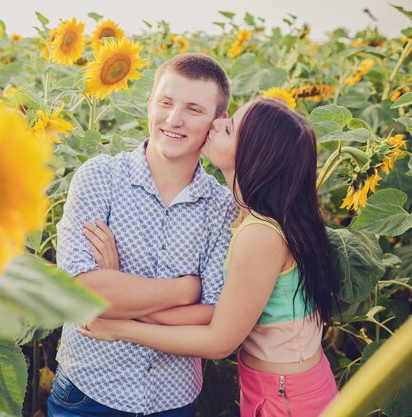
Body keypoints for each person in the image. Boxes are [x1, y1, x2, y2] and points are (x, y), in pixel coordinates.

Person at [78, 98, 340, 417]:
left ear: (254, 158)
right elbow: (216, 315)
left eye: (229, 129)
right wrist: (121, 288)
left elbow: (219, 342)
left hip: (286, 398)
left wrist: (121, 326)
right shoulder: (263, 218)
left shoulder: (260, 235)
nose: (217, 123)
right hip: (280, 386)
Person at [49, 53, 237, 417]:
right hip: (89, 393)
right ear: (150, 103)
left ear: (217, 122)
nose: (174, 119)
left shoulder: (222, 206)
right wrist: (186, 290)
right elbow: (81, 292)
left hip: (174, 400)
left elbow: (215, 315)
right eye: (165, 102)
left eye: (194, 109)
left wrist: (118, 293)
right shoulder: (100, 178)